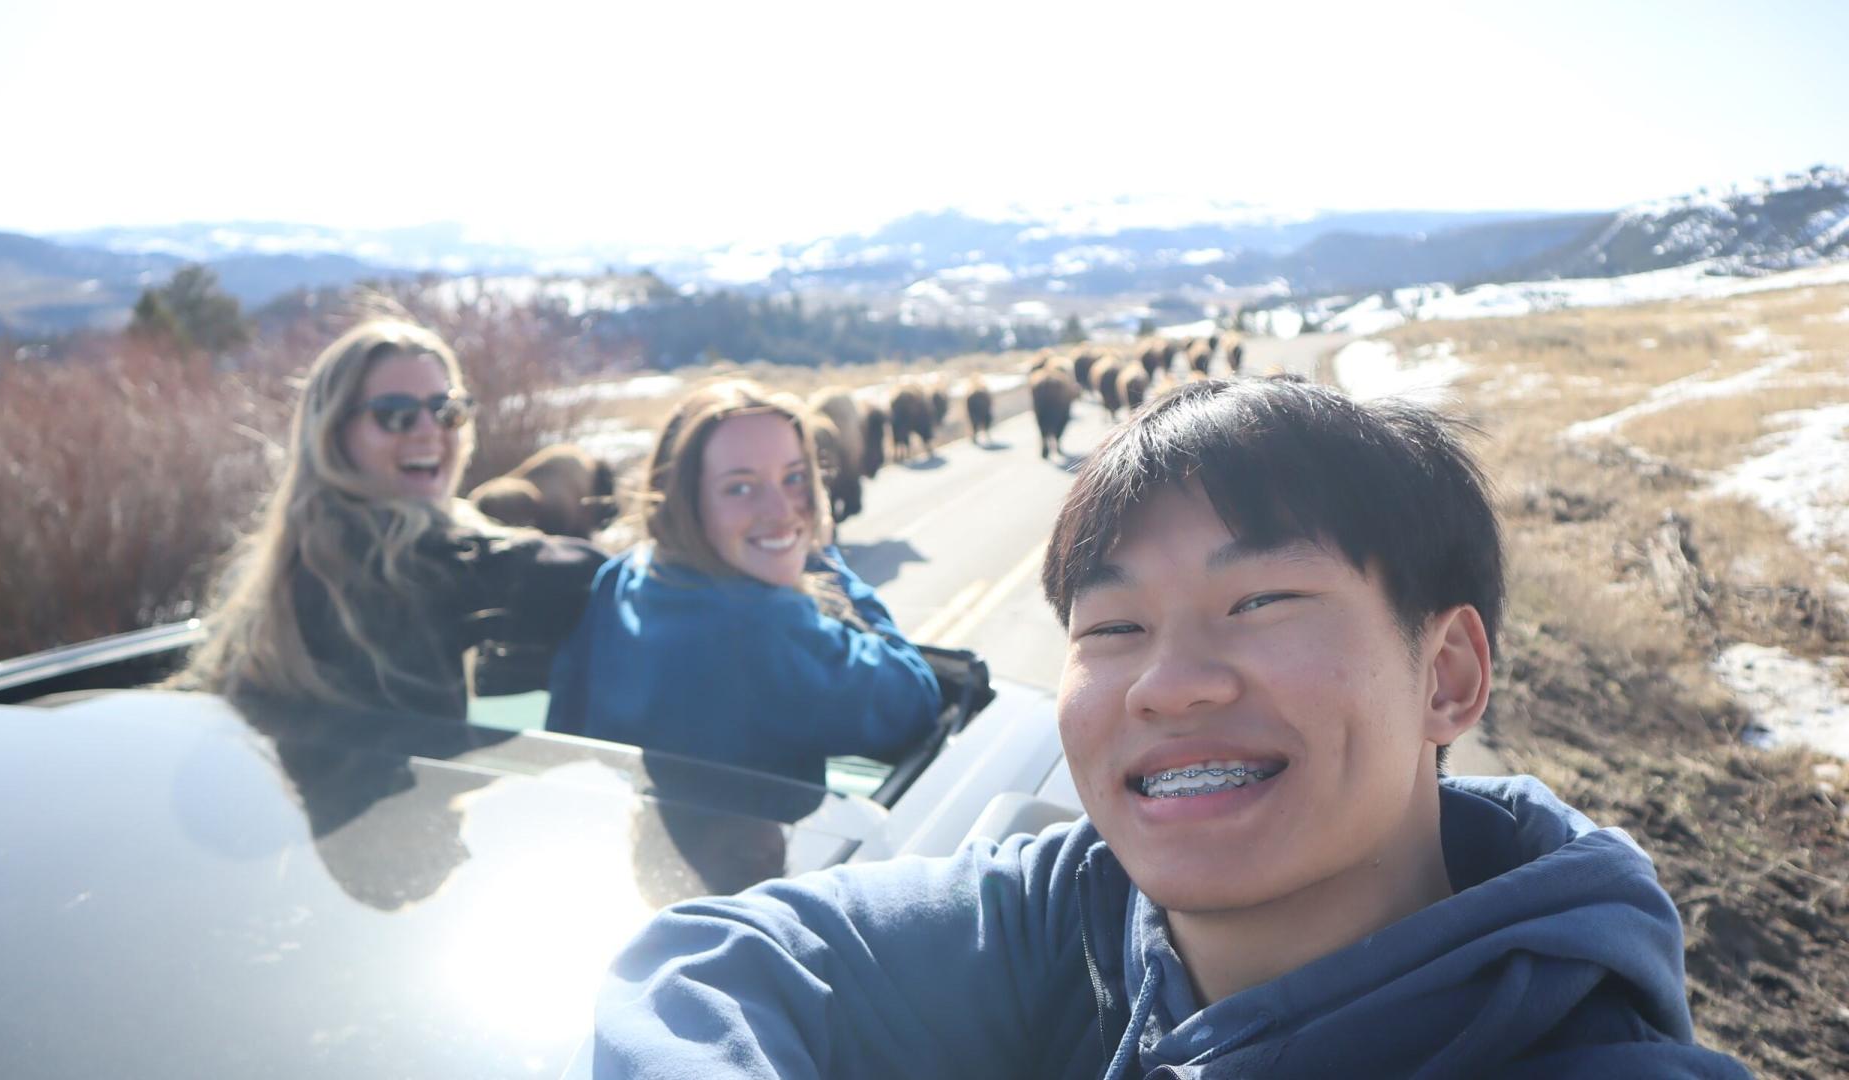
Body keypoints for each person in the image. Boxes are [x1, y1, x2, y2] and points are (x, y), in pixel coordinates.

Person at [591, 376, 1749, 1078]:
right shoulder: (1076, 919)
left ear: (1446, 674)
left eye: (1259, 602)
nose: (1169, 684)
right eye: (1112, 628)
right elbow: (704, 963)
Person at [180, 316, 602, 720]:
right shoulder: (405, 562)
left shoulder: (285, 561)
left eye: (446, 410)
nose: (427, 431)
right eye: (394, 414)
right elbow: (586, 575)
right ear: (333, 434)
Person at [545, 379, 941, 787]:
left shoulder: (624, 576)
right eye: (740, 487)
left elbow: (566, 728)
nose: (782, 509)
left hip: (638, 840)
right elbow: (913, 699)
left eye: (795, 478)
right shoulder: (765, 625)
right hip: (763, 850)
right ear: (685, 501)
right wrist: (820, 557)